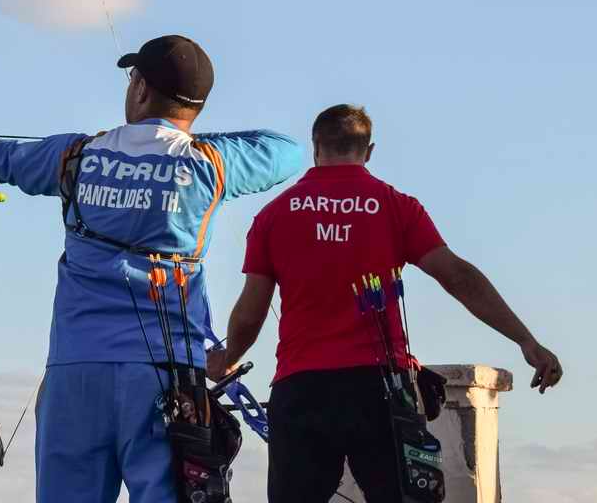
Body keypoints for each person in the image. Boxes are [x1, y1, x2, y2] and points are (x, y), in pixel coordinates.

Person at [0, 35, 302, 503]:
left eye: (132, 79)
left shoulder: (75, 156)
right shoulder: (210, 164)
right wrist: (182, 146)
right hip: (167, 379)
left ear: (142, 90)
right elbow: (286, 149)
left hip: (76, 372)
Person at [207, 104, 563, 503]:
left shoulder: (274, 215)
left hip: (302, 389)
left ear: (315, 147)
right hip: (379, 389)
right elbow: (459, 278)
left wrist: (228, 355)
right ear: (369, 150)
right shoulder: (395, 206)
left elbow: (251, 311)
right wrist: (526, 341)